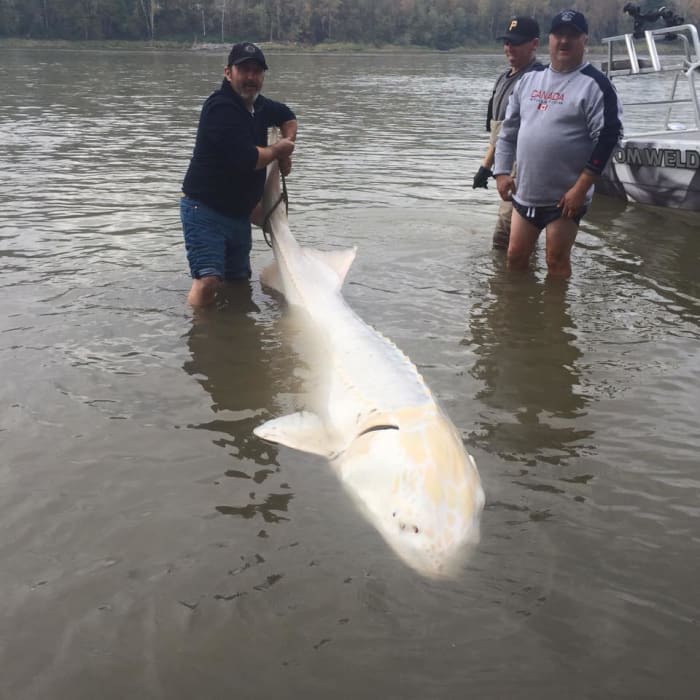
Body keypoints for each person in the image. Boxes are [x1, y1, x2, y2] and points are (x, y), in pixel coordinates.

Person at [493, 10, 623, 278]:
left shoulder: (596, 85)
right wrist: (502, 171)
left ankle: (555, 318)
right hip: (525, 193)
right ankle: (515, 316)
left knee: (556, 261)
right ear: (549, 39)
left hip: (565, 200)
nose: (564, 41)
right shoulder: (529, 80)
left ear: (584, 40)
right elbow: (509, 131)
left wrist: (580, 189)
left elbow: (609, 139)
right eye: (559, 35)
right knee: (515, 258)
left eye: (572, 36)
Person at [180, 42, 298, 307]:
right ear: (228, 72)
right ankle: (200, 336)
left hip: (239, 214)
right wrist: (279, 149)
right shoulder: (220, 108)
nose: (250, 77)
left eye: (257, 71)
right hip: (205, 209)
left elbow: (288, 116)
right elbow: (249, 159)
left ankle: (232, 328)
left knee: (238, 283)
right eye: (244, 69)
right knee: (208, 281)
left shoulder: (261, 106)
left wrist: (288, 147)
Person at [472, 16, 542, 250]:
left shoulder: (539, 79)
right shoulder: (503, 78)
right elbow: (500, 134)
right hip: (504, 166)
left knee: (505, 235)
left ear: (534, 44)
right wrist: (486, 166)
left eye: (517, 42)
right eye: (507, 42)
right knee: (512, 235)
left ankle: (509, 283)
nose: (509, 48)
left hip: (525, 168)